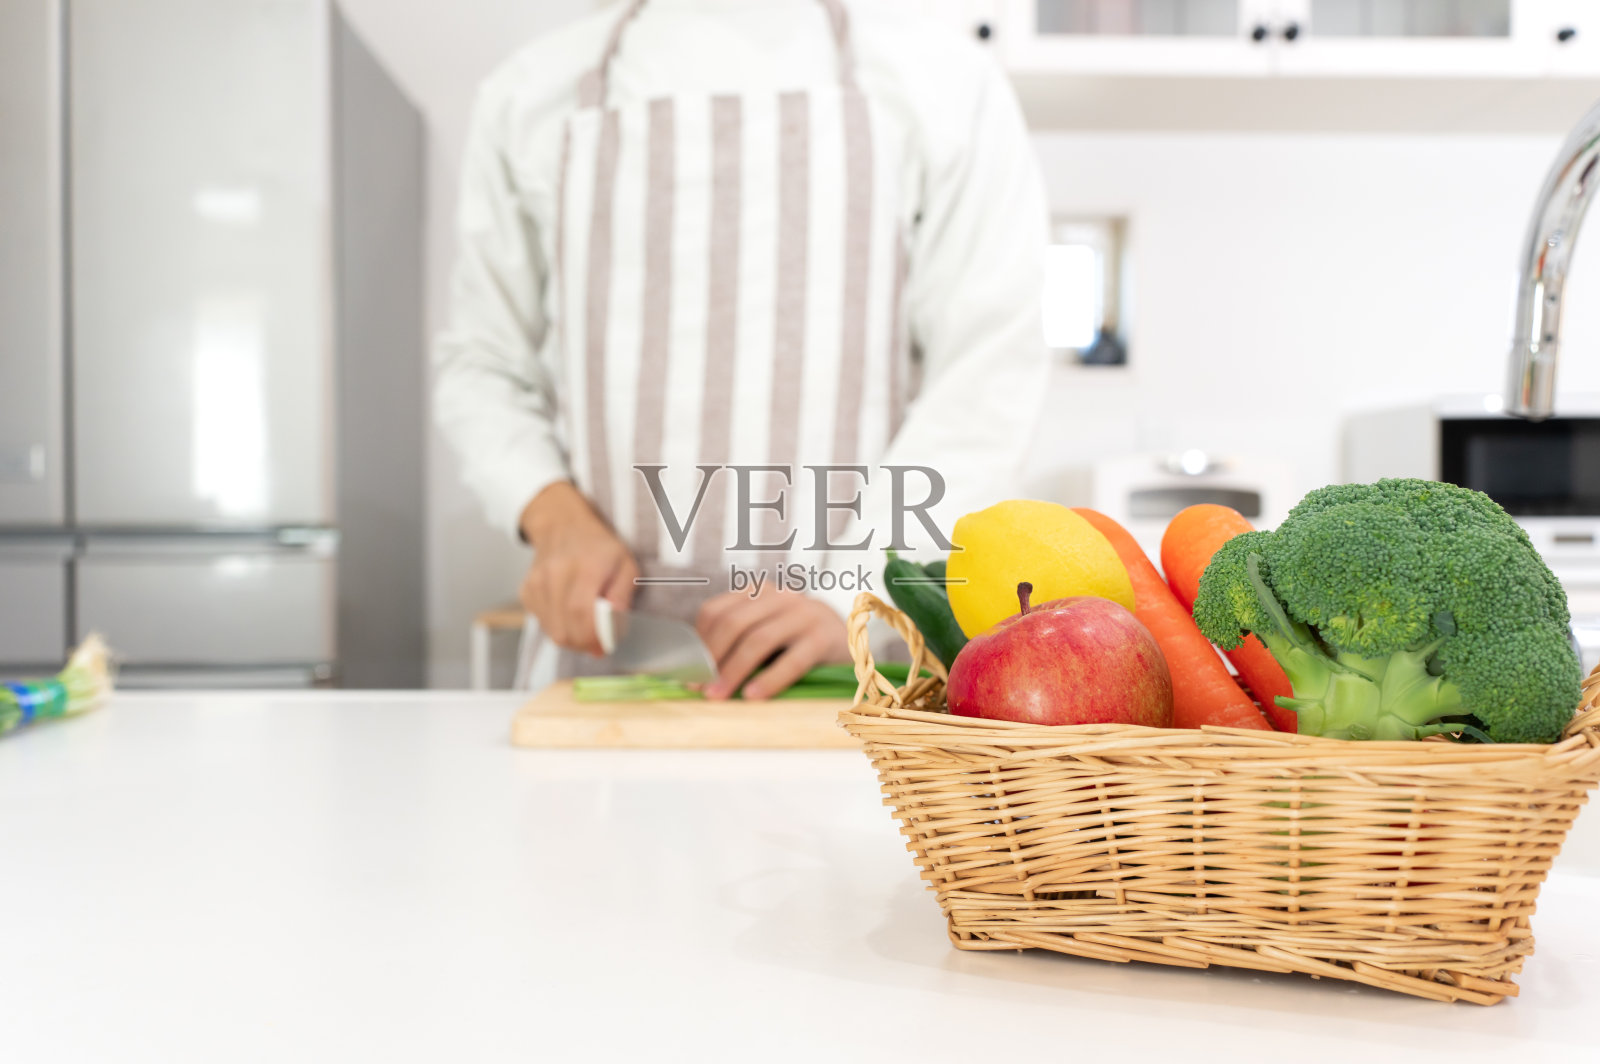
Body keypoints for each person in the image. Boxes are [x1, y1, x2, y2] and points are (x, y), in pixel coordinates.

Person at [435, 0, 1050, 696]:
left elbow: (987, 375)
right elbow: (481, 365)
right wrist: (551, 513)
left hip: (860, 673)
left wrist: (848, 596)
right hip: (610, 670)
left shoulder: (945, 86)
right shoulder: (530, 94)